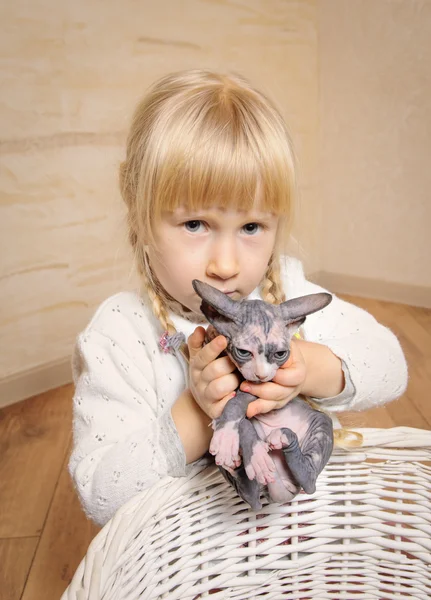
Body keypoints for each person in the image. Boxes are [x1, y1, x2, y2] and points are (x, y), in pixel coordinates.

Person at [69, 69, 408, 526]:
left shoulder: (287, 291)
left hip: (307, 541)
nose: (226, 265)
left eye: (251, 227)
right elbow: (98, 493)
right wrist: (196, 409)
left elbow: (391, 366)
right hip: (191, 559)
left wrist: (306, 366)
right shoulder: (120, 332)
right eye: (195, 224)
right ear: (140, 215)